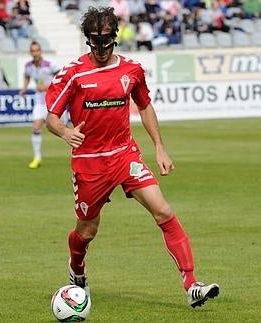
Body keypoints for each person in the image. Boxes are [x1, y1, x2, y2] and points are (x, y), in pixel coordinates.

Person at [44, 6, 220, 308]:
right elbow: (51, 117)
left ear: (115, 37)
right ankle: (76, 268)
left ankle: (191, 284)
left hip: (125, 155)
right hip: (89, 163)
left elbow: (145, 106)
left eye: (106, 41)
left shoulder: (131, 70)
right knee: (86, 231)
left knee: (163, 211)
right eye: (94, 41)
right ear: (88, 39)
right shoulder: (73, 73)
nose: (100, 48)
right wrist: (64, 132)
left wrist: (159, 147)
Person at [18, 41, 60, 169]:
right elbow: (27, 77)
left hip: (52, 100)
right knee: (36, 127)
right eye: (33, 51)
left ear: (40, 51)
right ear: (30, 52)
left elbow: (60, 79)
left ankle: (78, 152)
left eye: (37, 50)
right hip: (39, 101)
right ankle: (37, 157)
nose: (35, 53)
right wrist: (24, 88)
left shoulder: (50, 65)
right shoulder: (28, 66)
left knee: (60, 128)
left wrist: (48, 87)